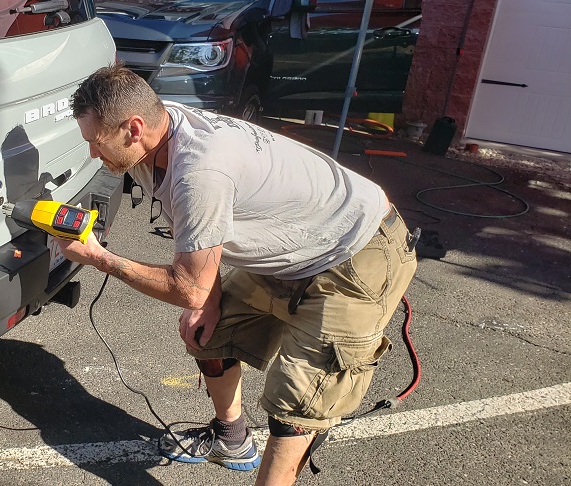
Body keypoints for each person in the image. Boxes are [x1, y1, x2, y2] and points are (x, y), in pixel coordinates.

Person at [56, 64, 417, 485]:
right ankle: (232, 439)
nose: (93, 155)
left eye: (97, 144)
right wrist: (208, 303)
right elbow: (197, 256)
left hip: (355, 253)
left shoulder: (200, 172)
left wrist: (98, 257)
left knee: (297, 406)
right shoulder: (159, 131)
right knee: (210, 332)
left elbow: (187, 286)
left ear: (134, 128)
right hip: (295, 246)